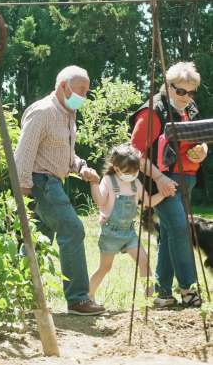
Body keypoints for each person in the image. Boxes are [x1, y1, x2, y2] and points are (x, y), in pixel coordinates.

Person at [14, 65, 105, 316]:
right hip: (39, 183)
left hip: (52, 180)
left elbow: (62, 152)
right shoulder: (43, 112)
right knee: (73, 230)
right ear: (63, 86)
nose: (84, 96)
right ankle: (78, 299)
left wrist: (80, 167)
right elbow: (23, 154)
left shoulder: (67, 114)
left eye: (87, 91)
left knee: (37, 243)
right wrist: (23, 193)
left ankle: (18, 295)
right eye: (81, 90)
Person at [130, 61, 207, 308]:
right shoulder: (153, 111)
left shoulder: (190, 108)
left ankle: (162, 294)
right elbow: (134, 154)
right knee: (181, 229)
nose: (187, 97)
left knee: (170, 232)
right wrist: (160, 179)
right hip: (160, 182)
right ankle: (189, 289)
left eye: (191, 91)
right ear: (168, 86)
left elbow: (200, 138)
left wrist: (202, 150)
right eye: (181, 91)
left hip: (187, 180)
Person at [88, 144, 168, 301]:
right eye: (127, 172)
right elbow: (100, 201)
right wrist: (94, 184)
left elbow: (149, 201)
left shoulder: (135, 183)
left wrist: (164, 193)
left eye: (135, 171)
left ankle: (150, 298)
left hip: (129, 233)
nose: (131, 175)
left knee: (144, 262)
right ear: (116, 168)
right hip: (110, 233)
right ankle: (87, 296)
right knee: (105, 268)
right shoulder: (108, 181)